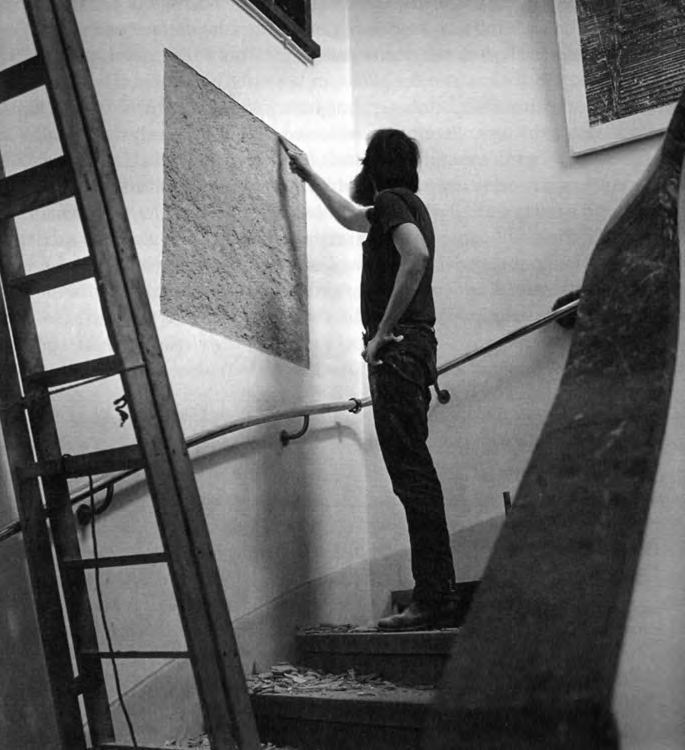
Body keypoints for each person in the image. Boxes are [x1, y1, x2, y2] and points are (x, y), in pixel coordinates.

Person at [283, 129, 457, 631]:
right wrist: (308, 173)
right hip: (412, 351)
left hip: (399, 352)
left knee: (412, 477)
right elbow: (348, 216)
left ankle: (434, 597)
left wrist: (382, 333)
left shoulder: (392, 200)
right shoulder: (396, 207)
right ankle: (436, 594)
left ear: (375, 168)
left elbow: (415, 256)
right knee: (414, 476)